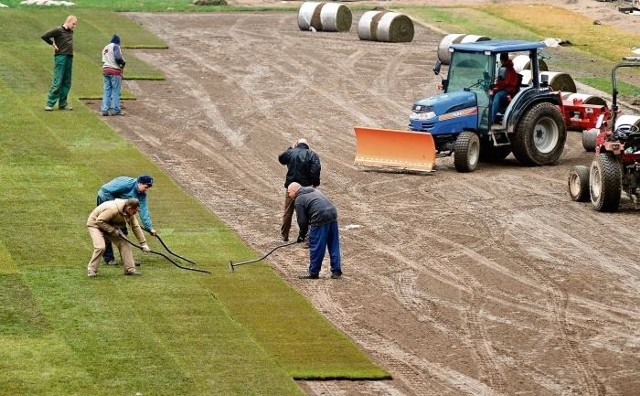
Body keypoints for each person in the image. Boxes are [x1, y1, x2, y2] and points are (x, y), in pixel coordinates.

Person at [96, 175, 157, 265]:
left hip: (123, 208)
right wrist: (115, 207)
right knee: (106, 230)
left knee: (123, 231)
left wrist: (149, 228)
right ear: (139, 183)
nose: (146, 190)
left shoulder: (142, 195)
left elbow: (143, 211)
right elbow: (105, 190)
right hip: (106, 201)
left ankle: (127, 260)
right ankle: (109, 259)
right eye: (146, 187)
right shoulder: (125, 184)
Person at [288, 182, 342, 280]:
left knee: (317, 246)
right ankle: (336, 271)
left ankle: (313, 272)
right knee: (333, 244)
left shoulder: (299, 200)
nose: (288, 195)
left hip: (320, 217)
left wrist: (301, 235)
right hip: (332, 213)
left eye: (289, 193)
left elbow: (302, 222)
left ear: (294, 191)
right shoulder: (314, 190)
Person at [86, 198, 151, 277]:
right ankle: (91, 270)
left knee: (124, 243)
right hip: (95, 225)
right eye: (134, 211)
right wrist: (113, 231)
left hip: (109, 224)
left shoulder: (129, 213)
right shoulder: (113, 209)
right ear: (129, 208)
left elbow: (135, 227)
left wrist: (143, 243)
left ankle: (129, 269)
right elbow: (99, 221)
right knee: (100, 247)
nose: (135, 213)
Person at [278, 138, 321, 242]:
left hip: (291, 187)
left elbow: (281, 159)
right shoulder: (312, 154)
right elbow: (316, 170)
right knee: (306, 212)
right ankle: (305, 235)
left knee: (288, 211)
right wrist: (314, 183)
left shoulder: (291, 152)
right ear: (307, 145)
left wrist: (290, 148)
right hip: (305, 188)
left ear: (297, 144)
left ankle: (285, 235)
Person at [41, 15, 78, 111]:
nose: (74, 26)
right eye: (73, 24)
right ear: (68, 21)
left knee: (67, 81)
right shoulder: (58, 30)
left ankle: (63, 103)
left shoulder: (70, 32)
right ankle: (50, 103)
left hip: (69, 57)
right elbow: (45, 36)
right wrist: (52, 44)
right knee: (58, 80)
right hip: (61, 57)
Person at [489, 52, 519, 124]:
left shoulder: (508, 69)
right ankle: (489, 115)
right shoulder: (505, 68)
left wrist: (495, 89)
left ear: (501, 59)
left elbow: (505, 83)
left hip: (508, 91)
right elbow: (501, 82)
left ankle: (491, 120)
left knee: (497, 95)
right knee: (489, 95)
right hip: (504, 88)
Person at [101, 34, 126, 116]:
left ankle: (104, 110)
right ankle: (115, 109)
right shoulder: (116, 46)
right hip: (114, 71)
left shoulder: (105, 47)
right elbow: (118, 58)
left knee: (107, 90)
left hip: (105, 70)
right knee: (115, 91)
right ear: (118, 42)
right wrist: (122, 64)